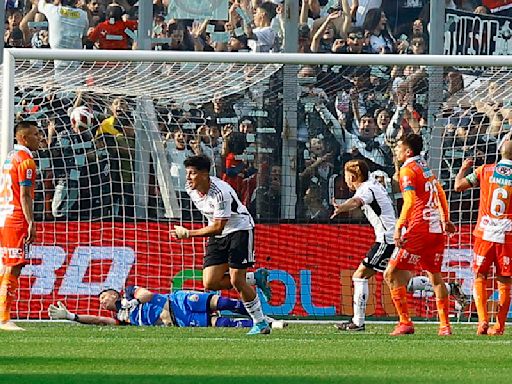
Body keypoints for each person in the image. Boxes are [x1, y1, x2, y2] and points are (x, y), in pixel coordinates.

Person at [331, 159, 465, 332]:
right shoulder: (372, 183)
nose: (346, 179)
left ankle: (358, 322)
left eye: (347, 175)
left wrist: (341, 207)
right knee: (405, 282)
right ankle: (449, 288)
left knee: (360, 275)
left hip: (386, 239)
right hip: (395, 236)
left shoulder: (366, 189)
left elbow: (357, 202)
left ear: (353, 176)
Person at [171, 155, 271, 335]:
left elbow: (218, 227)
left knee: (236, 280)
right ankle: (256, 278)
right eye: (187, 173)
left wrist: (188, 233)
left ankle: (260, 323)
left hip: (239, 230)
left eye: (192, 173)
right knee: (210, 282)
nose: (188, 178)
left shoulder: (220, 193)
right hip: (219, 233)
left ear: (204, 174)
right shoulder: (190, 188)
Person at [384, 134, 456, 336]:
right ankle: (445, 326)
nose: (396, 150)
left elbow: (409, 201)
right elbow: (440, 192)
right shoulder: (424, 167)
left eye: (399, 147)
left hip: (418, 229)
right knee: (435, 277)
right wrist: (445, 219)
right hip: (436, 230)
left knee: (390, 274)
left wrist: (399, 226)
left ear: (408, 151)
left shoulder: (408, 170)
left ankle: (405, 323)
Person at [453, 141, 512, 335]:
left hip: (485, 232)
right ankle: (500, 326)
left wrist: (462, 169)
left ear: (500, 152)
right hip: (508, 234)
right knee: (504, 281)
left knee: (480, 276)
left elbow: (458, 186)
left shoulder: (484, 170)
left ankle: (482, 321)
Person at [48, 286, 285, 329]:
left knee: (223, 303)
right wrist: (72, 316)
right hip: (179, 322)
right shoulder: (121, 319)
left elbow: (147, 294)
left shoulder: (129, 292)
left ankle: (265, 317)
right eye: (100, 301)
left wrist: (135, 301)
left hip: (178, 302)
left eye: (104, 296)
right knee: (222, 323)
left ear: (114, 293)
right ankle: (265, 326)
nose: (102, 301)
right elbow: (101, 321)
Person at [0, 121, 41, 331]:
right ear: (23, 138)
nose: (40, 137)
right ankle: (4, 319)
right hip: (17, 218)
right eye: (35, 134)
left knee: (8, 265)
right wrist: (31, 222)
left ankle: (2, 314)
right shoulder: (26, 162)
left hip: (5, 216)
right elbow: (25, 195)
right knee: (14, 266)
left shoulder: (9, 157)